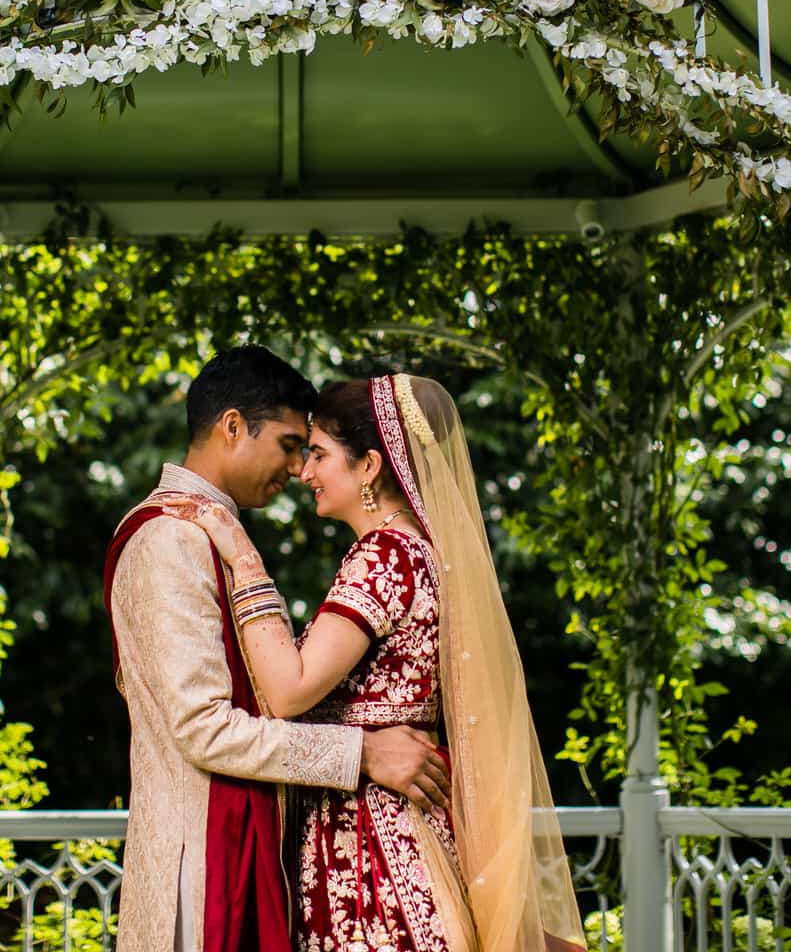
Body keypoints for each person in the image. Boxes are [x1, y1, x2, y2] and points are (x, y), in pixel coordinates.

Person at [182, 374, 587, 952]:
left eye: (319, 454)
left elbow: (289, 692)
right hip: (400, 823)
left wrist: (245, 562)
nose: (304, 472)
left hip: (372, 850)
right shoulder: (420, 550)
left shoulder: (384, 555)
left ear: (369, 466)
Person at [104, 347, 453, 952]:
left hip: (261, 848)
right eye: (293, 445)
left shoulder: (204, 532)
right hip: (203, 857)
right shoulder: (172, 540)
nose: (298, 469)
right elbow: (203, 728)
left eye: (312, 452)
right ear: (234, 426)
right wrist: (362, 752)